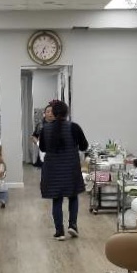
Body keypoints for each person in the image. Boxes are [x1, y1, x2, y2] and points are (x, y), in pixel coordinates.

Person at [39, 100, 88, 240]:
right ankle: (73, 225)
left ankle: (59, 231)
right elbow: (84, 146)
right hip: (70, 168)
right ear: (67, 113)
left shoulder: (45, 129)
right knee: (73, 196)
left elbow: (43, 148)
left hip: (52, 169)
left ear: (53, 113)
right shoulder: (74, 127)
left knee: (57, 199)